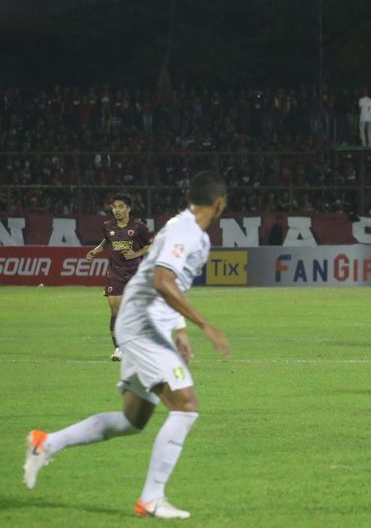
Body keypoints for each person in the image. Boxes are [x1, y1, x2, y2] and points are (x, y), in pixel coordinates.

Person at [24, 171, 231, 519]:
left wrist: (179, 329)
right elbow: (162, 280)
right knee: (186, 406)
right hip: (142, 325)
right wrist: (203, 324)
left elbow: (166, 279)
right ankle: (151, 499)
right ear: (220, 203)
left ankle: (46, 443)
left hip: (148, 323)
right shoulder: (186, 232)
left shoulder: (182, 227)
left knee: (132, 420)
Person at [86, 192, 153, 362]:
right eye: (114, 207)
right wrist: (96, 250)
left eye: (121, 206)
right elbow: (107, 241)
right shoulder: (108, 226)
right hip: (116, 273)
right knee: (115, 310)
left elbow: (153, 244)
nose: (116, 210)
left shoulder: (138, 227)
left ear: (129, 209)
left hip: (135, 274)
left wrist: (136, 253)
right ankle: (118, 348)